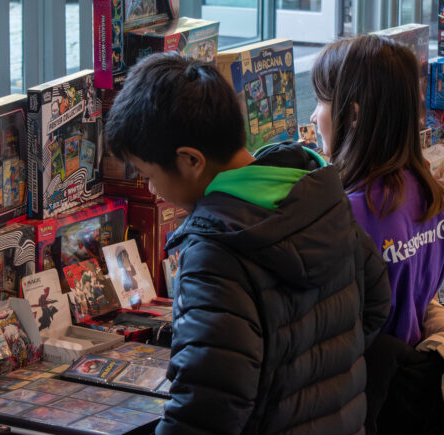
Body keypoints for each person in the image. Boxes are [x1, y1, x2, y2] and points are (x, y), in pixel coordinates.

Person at [104, 53, 390, 434]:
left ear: (191, 160)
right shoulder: (314, 189)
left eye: (148, 174)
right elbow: (375, 302)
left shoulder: (215, 252)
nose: (152, 189)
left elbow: (204, 412)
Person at [310, 35, 444, 434]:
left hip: (365, 393)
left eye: (322, 101)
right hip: (410, 381)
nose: (313, 116)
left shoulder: (351, 211)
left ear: (352, 115)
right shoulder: (429, 192)